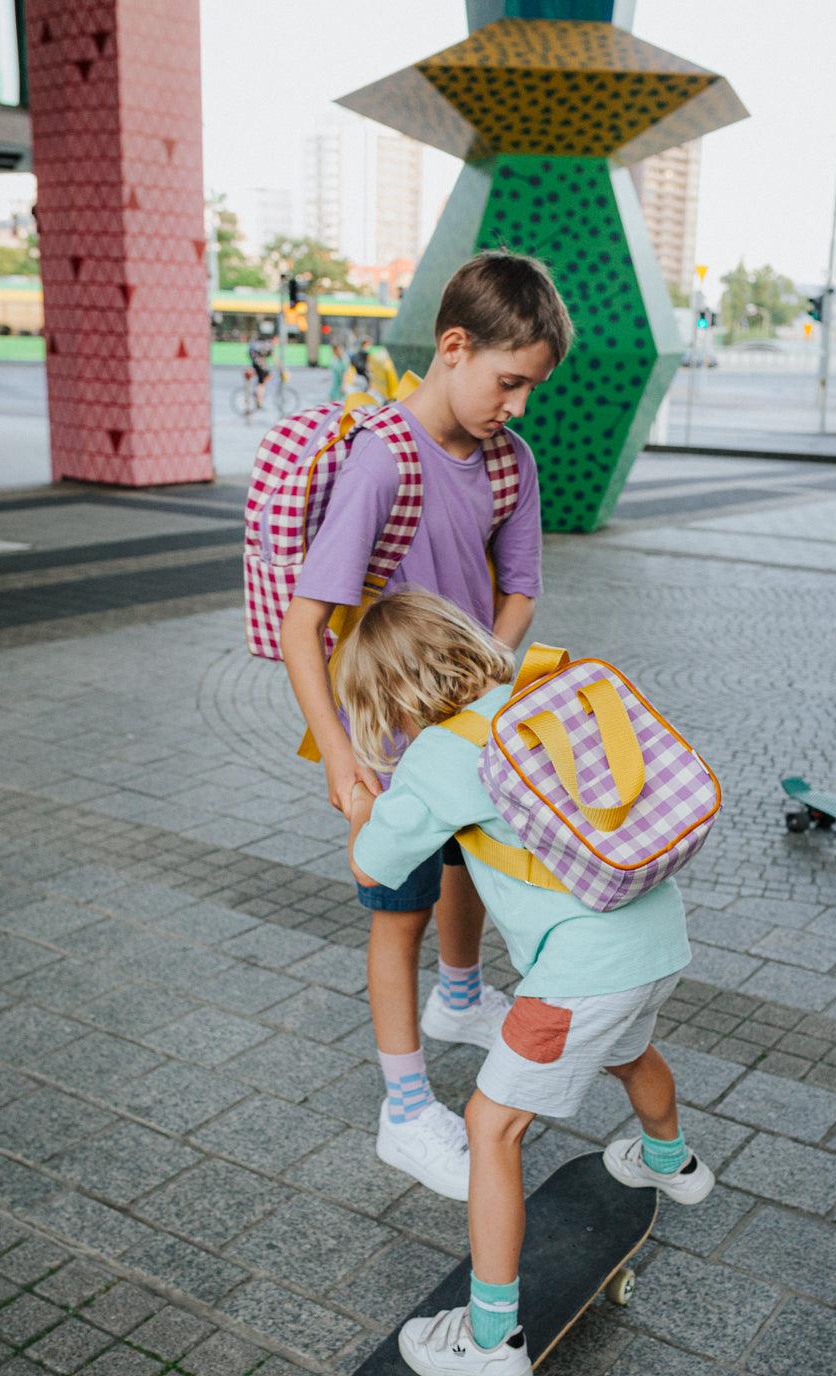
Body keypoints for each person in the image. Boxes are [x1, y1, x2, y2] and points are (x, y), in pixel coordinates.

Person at [337, 589, 713, 1376]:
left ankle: (489, 1339)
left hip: (581, 974)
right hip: (658, 938)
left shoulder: (436, 758)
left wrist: (363, 801)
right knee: (629, 1048)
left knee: (491, 1127)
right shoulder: (535, 697)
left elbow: (374, 864)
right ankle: (671, 1163)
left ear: (387, 699)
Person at [280, 252, 574, 1202]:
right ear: (455, 347)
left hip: (469, 721)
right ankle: (405, 1111)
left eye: (530, 387)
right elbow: (305, 625)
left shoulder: (508, 460)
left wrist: (481, 680)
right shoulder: (383, 457)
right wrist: (340, 757)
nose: (518, 406)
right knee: (394, 910)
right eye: (510, 382)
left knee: (470, 863)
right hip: (387, 739)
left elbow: (521, 588)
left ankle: (460, 999)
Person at [247, 327, 273, 407]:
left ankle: (257, 391)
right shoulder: (267, 343)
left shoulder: (255, 342)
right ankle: (259, 398)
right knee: (261, 382)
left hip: (257, 364)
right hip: (260, 364)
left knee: (265, 377)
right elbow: (270, 353)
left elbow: (250, 353)